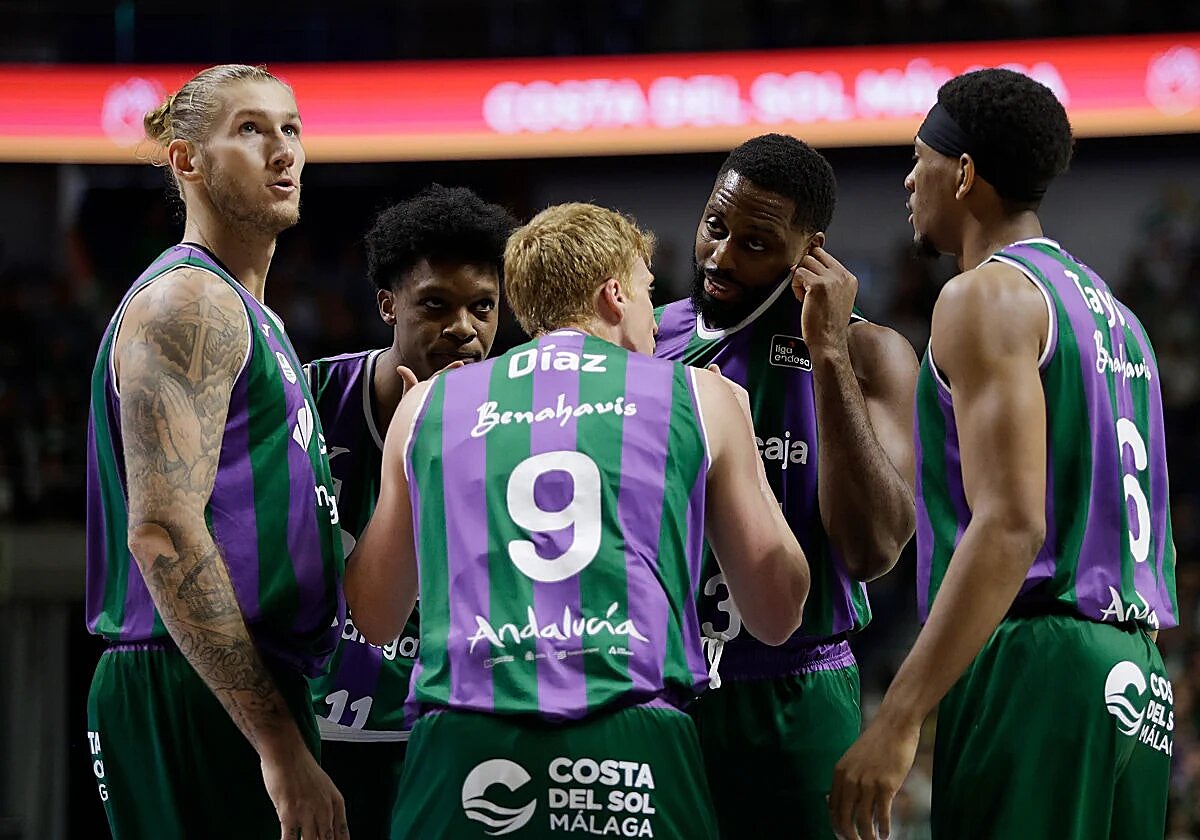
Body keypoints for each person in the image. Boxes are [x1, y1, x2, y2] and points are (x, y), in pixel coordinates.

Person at [344, 202, 812, 839]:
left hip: (462, 746)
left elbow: (372, 612)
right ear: (615, 295)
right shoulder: (700, 396)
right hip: (633, 749)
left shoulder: (428, 402)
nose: (656, 317)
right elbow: (777, 611)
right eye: (650, 294)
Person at [829, 68, 1178, 840]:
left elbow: (1012, 524)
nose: (907, 178)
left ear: (964, 174)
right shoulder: (1118, 319)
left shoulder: (984, 296)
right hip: (1137, 678)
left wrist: (900, 714)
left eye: (918, 157)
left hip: (1038, 667)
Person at [84, 64, 348, 839]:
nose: (283, 150)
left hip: (231, 677)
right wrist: (277, 745)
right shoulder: (191, 301)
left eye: (291, 128)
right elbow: (161, 528)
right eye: (251, 129)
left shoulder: (250, 311)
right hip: (192, 678)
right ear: (186, 160)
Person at [654, 133, 919, 838]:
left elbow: (874, 550)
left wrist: (826, 351)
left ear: (811, 251)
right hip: (662, 687)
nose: (722, 255)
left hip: (798, 688)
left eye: (757, 243)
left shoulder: (868, 351)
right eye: (716, 226)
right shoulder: (643, 343)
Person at [305, 184, 515, 837]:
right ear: (388, 306)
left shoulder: (524, 418)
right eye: (436, 305)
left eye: (483, 306)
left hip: (447, 745)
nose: (464, 328)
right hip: (314, 745)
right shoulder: (305, 401)